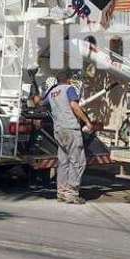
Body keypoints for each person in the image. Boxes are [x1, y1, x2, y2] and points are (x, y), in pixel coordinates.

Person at [34, 71, 93, 204]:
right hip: (71, 129)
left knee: (64, 162)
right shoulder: (69, 89)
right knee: (78, 161)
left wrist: (36, 98)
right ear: (68, 79)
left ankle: (61, 193)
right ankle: (71, 194)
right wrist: (87, 122)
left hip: (59, 131)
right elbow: (74, 106)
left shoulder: (53, 92)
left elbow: (41, 103)